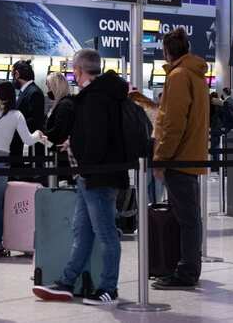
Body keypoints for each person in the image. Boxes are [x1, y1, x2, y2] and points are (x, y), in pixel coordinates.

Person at [32, 48, 129, 306]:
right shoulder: (107, 95)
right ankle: (67, 281)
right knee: (82, 231)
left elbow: (97, 139)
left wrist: (83, 156)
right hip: (92, 176)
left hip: (98, 176)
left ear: (78, 70)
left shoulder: (94, 98)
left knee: (106, 233)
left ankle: (109, 288)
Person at [151, 28, 209, 290]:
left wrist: (161, 158)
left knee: (186, 218)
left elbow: (173, 123)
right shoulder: (196, 75)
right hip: (191, 154)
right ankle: (187, 266)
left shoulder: (178, 76)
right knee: (189, 216)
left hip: (178, 157)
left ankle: (186, 271)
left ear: (167, 51)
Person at [0, 81, 44, 257]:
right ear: (14, 96)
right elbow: (27, 140)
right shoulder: (16, 114)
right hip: (0, 160)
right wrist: (38, 135)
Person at [10, 60, 45, 169]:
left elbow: (35, 120)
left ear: (17, 74)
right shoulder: (26, 91)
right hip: (21, 143)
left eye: (13, 75)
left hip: (28, 145)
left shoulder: (34, 92)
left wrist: (16, 125)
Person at [129, 89, 163, 203]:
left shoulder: (135, 107)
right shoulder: (153, 106)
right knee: (157, 180)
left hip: (146, 147)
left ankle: (145, 210)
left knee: (144, 179)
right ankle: (156, 207)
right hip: (159, 145)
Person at [43, 73, 75, 185]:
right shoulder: (65, 103)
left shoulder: (64, 105)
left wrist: (42, 135)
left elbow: (59, 130)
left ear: (56, 87)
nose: (48, 91)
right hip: (63, 153)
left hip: (63, 155)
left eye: (49, 87)